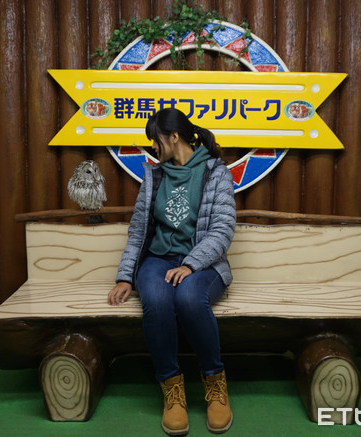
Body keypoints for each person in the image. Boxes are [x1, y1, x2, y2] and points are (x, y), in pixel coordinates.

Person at [107, 107, 236, 435]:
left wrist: (191, 264)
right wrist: (124, 276)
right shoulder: (154, 176)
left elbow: (222, 228)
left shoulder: (215, 172)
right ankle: (172, 390)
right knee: (156, 299)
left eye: (156, 139)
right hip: (158, 260)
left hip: (202, 262)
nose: (153, 146)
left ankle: (215, 385)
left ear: (173, 136)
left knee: (190, 299)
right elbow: (138, 231)